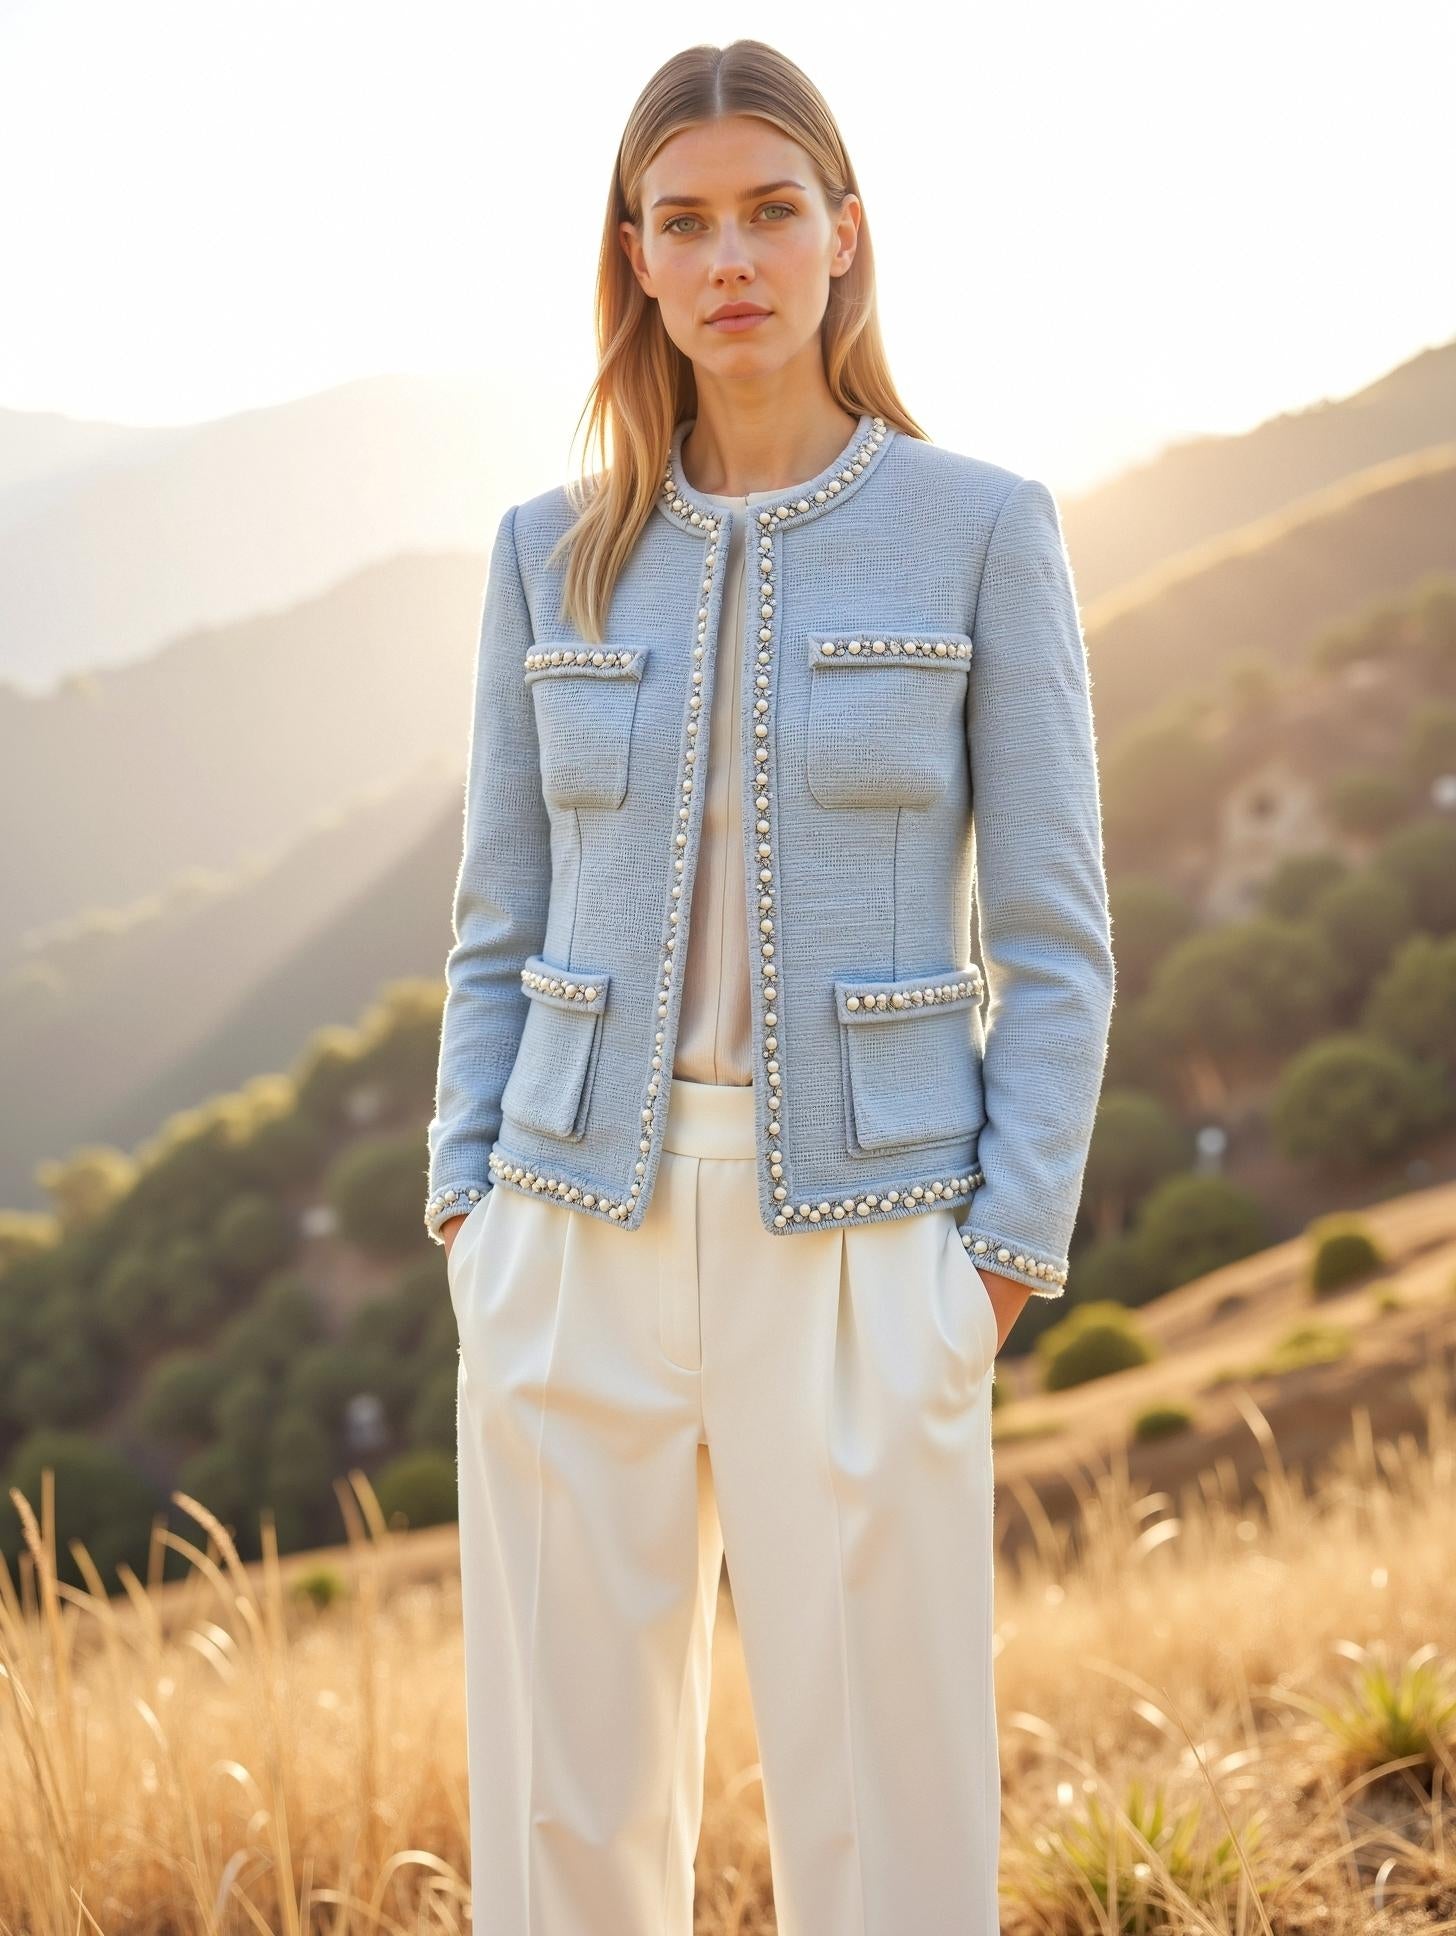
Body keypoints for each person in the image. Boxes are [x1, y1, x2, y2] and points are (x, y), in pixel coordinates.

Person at [424, 37, 1115, 1936]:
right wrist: (469, 1208)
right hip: (569, 1224)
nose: (730, 255)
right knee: (564, 1828)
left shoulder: (982, 526)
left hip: (876, 1239)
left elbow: (1057, 937)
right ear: (635, 259)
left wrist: (990, 1266)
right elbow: (497, 917)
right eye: (685, 221)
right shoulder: (545, 555)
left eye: (768, 212)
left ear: (843, 238)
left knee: (889, 1826)